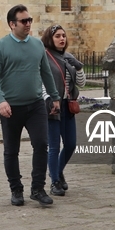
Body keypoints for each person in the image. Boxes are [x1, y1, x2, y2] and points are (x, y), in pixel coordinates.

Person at [0, 4, 60, 207]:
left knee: (41, 144)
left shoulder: (37, 45)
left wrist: (55, 97)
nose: (28, 24)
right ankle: (16, 189)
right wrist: (0, 100)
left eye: (29, 20)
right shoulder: (1, 46)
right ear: (12, 24)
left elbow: (46, 72)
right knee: (11, 151)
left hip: (36, 105)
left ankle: (38, 189)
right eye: (24, 21)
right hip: (11, 108)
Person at [41, 24, 86, 196]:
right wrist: (49, 100)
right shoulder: (45, 57)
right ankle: (55, 182)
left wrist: (79, 68)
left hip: (68, 106)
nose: (62, 39)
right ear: (50, 39)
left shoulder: (68, 57)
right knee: (54, 146)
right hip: (53, 107)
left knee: (71, 144)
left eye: (63, 36)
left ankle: (58, 172)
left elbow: (81, 83)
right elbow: (41, 82)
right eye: (57, 36)